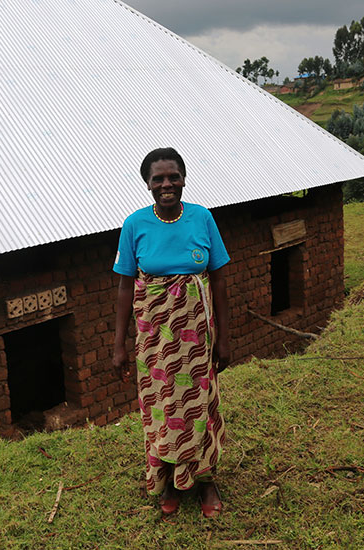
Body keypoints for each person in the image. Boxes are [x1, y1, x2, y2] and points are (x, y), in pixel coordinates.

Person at [112, 147, 230, 518]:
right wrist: (118, 345)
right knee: (163, 407)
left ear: (183, 178)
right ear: (147, 183)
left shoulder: (202, 218)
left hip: (197, 338)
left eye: (173, 176)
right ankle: (168, 478)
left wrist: (224, 338)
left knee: (199, 407)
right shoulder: (135, 225)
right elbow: (124, 287)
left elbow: (220, 281)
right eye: (158, 178)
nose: (167, 184)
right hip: (154, 342)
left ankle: (205, 479)